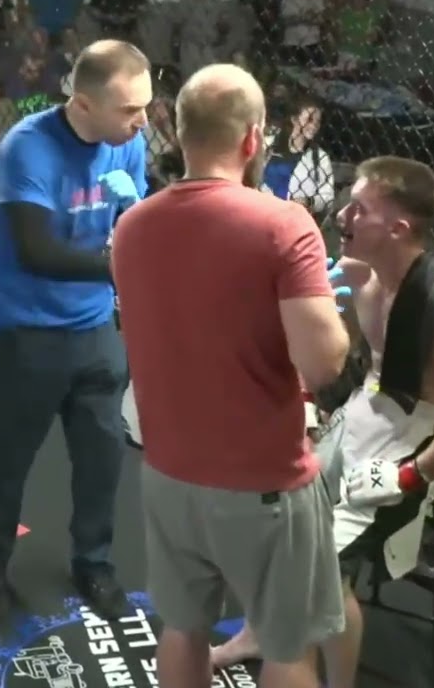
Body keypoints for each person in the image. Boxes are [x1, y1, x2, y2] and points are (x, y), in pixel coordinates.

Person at [210, 156, 434, 688]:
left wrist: (411, 475)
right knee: (271, 514)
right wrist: (303, 403)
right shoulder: (357, 271)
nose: (342, 215)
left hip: (417, 438)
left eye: (360, 209)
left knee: (316, 569)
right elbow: (300, 336)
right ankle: (254, 634)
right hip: (363, 412)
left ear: (398, 228)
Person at [111, 63, 350, 688]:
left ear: (180, 133)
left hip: (168, 470)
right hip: (261, 479)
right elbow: (324, 364)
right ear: (253, 138)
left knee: (183, 628)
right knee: (288, 646)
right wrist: (325, 308)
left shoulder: (132, 226)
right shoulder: (283, 223)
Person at [0, 39, 150, 622]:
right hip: (24, 329)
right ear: (84, 103)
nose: (143, 120)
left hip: (94, 325)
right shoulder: (28, 146)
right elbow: (37, 250)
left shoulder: (129, 143)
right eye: (129, 109)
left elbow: (133, 226)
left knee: (102, 456)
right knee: (4, 457)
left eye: (146, 106)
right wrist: (124, 265)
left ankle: (94, 562)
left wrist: (139, 221)